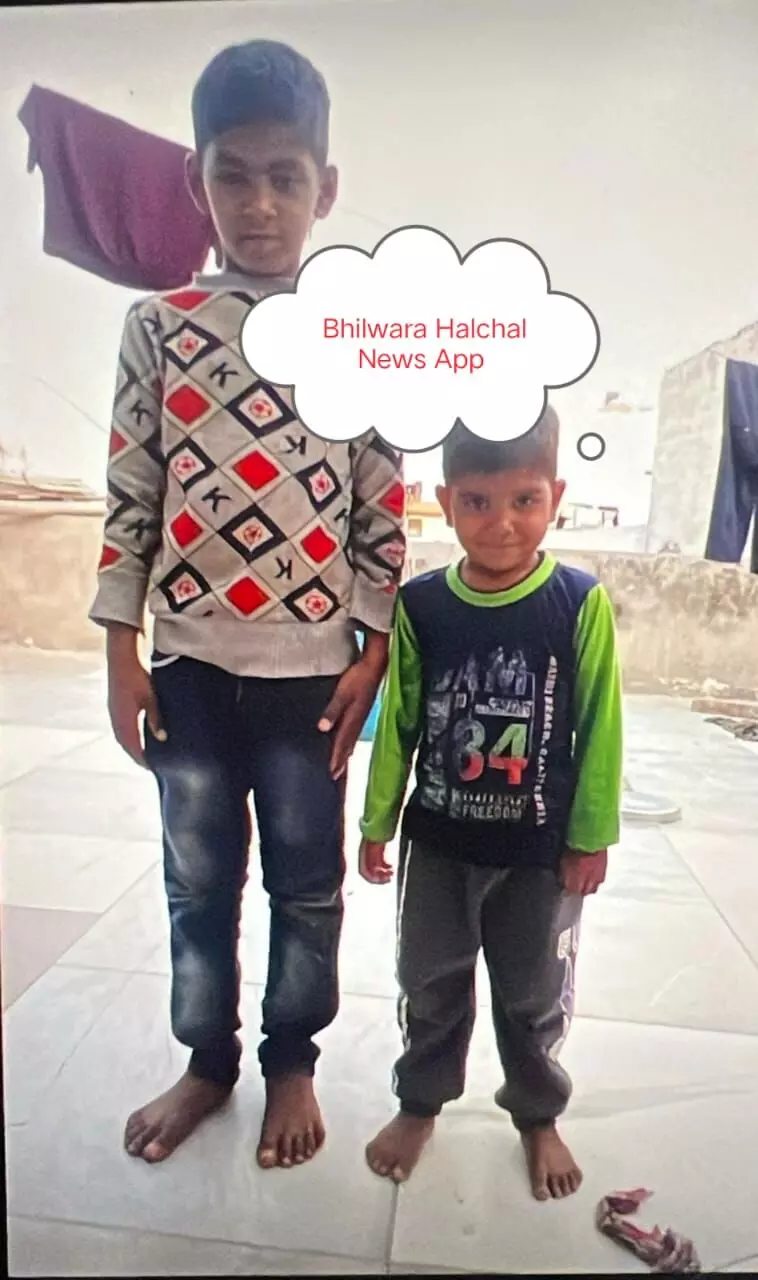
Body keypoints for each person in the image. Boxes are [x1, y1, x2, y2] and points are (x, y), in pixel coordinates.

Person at [90, 39, 406, 1170]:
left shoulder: (358, 336)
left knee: (307, 884)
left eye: (285, 177)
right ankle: (207, 1060)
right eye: (234, 175)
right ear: (197, 179)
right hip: (187, 669)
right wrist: (120, 653)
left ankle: (291, 1060)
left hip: (313, 676)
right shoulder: (160, 326)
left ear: (326, 187)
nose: (260, 203)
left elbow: (381, 505)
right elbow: (131, 493)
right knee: (197, 878)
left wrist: (372, 648)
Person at [358, 412, 622, 1200]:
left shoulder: (578, 602)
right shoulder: (422, 604)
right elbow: (399, 721)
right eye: (476, 501)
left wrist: (591, 835)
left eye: (524, 501)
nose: (500, 523)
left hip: (539, 852)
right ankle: (420, 1102)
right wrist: (378, 821)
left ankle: (537, 1115)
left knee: (533, 990)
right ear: (444, 501)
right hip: (438, 843)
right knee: (428, 980)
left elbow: (600, 724)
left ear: (556, 498)